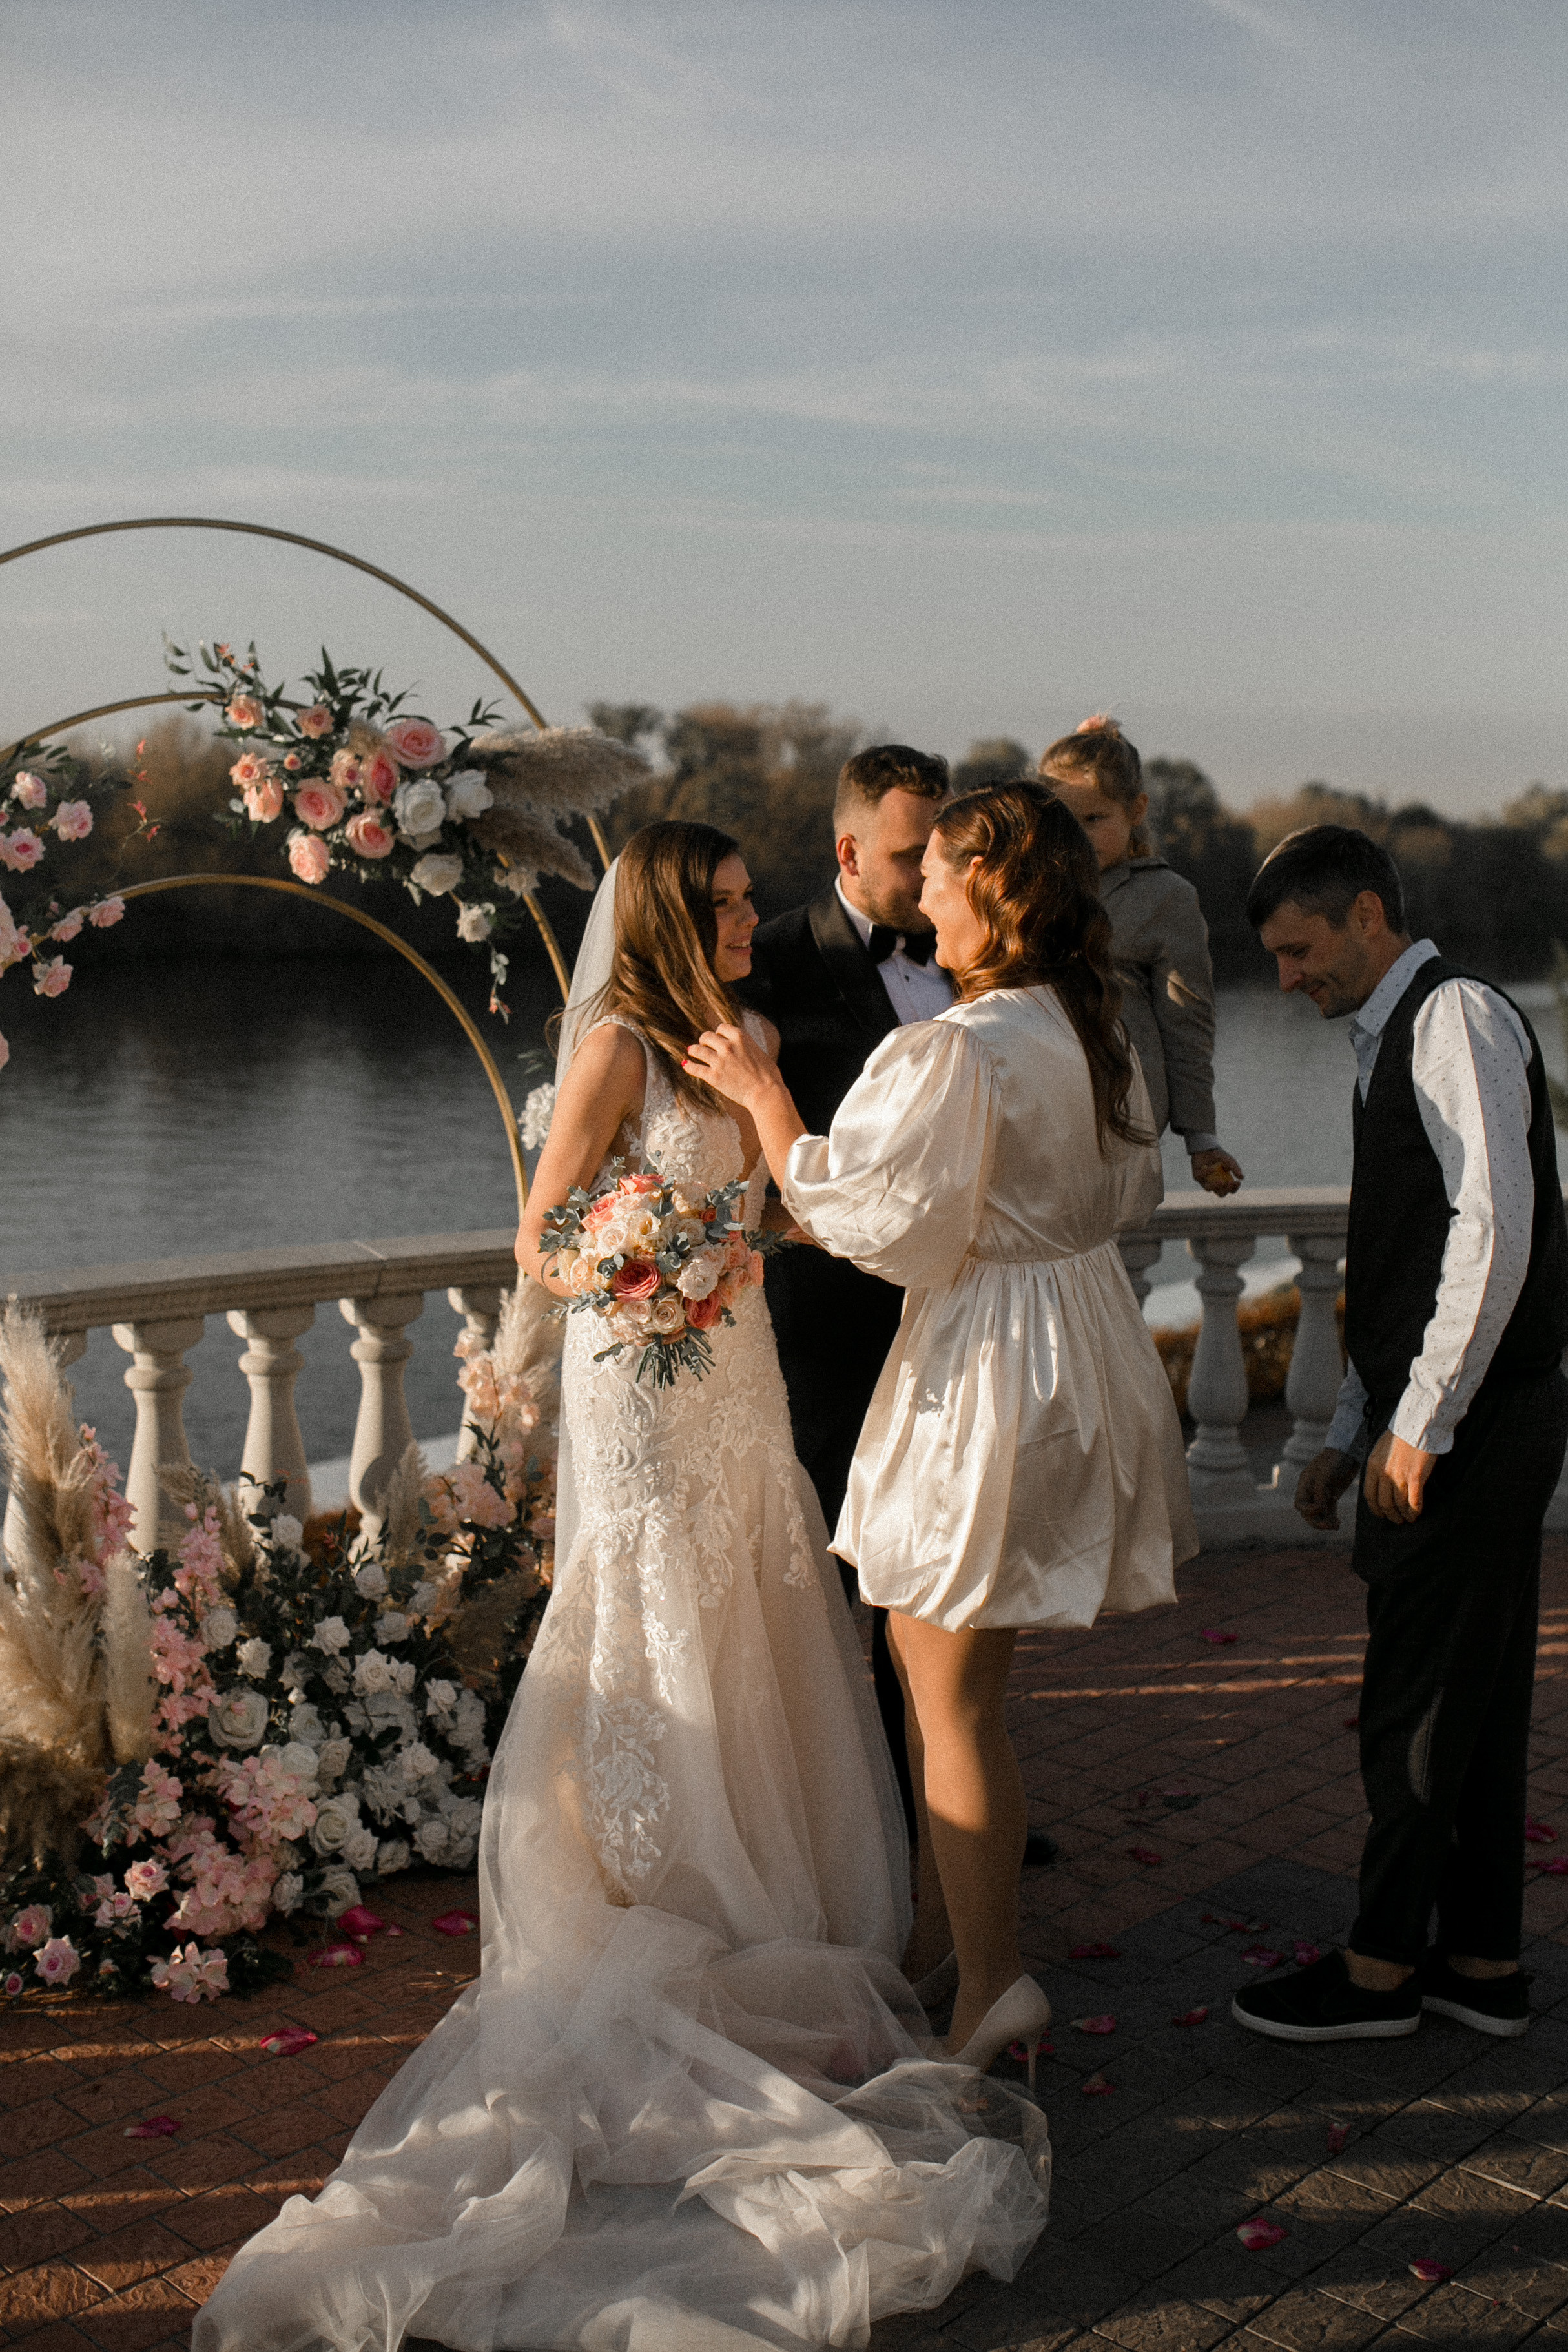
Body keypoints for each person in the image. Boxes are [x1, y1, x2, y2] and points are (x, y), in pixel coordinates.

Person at [194, 820, 1049, 2352]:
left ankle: (768, 1899)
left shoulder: (751, 1042)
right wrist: (648, 1249)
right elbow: (541, 1236)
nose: (746, 920)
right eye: (722, 904)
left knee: (758, 1604)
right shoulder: (613, 1051)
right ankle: (659, 1887)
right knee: (655, 1606)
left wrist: (759, 1219)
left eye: (745, 900)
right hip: (638, 1376)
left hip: (735, 1367)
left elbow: (790, 1208)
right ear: (663, 916)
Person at [688, 782, 1196, 2066]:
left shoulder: (959, 1048)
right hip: (1075, 1337)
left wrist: (764, 1096)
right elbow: (1123, 1189)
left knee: (948, 1692)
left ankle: (993, 1984)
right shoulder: (1087, 1025)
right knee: (944, 1679)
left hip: (987, 1369)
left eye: (938, 875)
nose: (920, 893)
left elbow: (864, 1210)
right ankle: (946, 1947)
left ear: (991, 888)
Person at [1233, 824, 1568, 2045]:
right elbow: (1399, 1260)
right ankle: (1479, 1961)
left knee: (1413, 1703)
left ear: (1367, 915)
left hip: (1478, 1422)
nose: (1286, 979)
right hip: (1465, 1416)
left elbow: (1493, 1228)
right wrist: (1348, 1427)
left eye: (1299, 950)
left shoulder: (1453, 1018)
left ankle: (1380, 1971)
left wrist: (1420, 1423)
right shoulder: (1392, 1035)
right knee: (1472, 1698)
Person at [744, 743, 1056, 1865]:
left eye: (939, 855)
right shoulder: (770, 959)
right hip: (830, 1325)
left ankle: (954, 1829)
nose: (930, 879)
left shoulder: (989, 972)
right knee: (840, 1583)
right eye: (907, 855)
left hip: (961, 1334)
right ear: (847, 851)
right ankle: (878, 1836)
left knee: (949, 1594)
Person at [1039, 715, 1243, 1199]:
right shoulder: (1031, 890)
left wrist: (1201, 1137)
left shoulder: (1167, 897)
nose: (1078, 837)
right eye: (1065, 822)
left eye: (1094, 820)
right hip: (1039, 1103)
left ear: (1136, 810)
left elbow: (1187, 1020)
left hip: (1124, 1111)